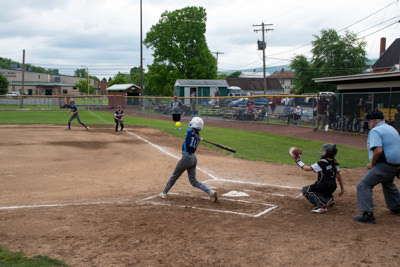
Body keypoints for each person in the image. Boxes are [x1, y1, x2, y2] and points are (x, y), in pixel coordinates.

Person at [354, 110, 400, 224]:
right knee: (388, 182)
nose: (368, 123)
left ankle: (368, 214)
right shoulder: (391, 128)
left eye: (369, 120)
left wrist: (372, 164)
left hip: (385, 164)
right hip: (396, 165)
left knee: (363, 185)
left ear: (374, 120)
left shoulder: (376, 131)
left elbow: (378, 150)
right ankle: (397, 207)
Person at [159, 117, 218, 202]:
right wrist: (198, 136)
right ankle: (210, 192)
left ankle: (164, 193)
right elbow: (194, 133)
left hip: (186, 158)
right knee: (193, 181)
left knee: (175, 175)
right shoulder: (197, 137)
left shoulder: (190, 132)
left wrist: (196, 135)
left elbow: (191, 131)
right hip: (193, 158)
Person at [292, 144, 345, 214]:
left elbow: (306, 168)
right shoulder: (335, 162)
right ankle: (328, 198)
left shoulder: (322, 163)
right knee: (317, 184)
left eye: (324, 151)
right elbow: (339, 176)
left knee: (306, 189)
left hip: (325, 186)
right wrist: (342, 189)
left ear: (328, 152)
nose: (323, 152)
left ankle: (321, 206)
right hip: (333, 186)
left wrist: (298, 161)